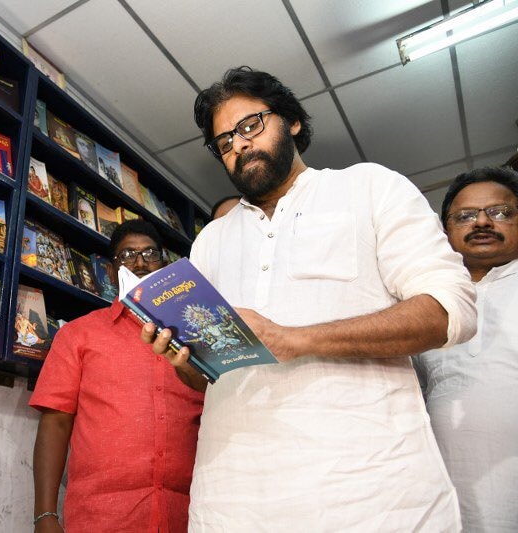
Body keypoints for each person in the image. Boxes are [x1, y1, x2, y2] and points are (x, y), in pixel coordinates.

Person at [144, 66, 477, 531]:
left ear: (293, 121)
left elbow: (449, 311)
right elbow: (207, 381)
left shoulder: (369, 187)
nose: (238, 145)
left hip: (371, 494)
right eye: (224, 142)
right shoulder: (210, 241)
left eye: (250, 126)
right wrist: (185, 361)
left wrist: (292, 338)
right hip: (234, 501)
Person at [29, 219, 204, 533]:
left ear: (165, 267)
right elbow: (55, 422)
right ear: (111, 272)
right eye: (127, 255)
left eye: (150, 253)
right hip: (101, 517)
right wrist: (45, 514)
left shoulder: (196, 339)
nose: (140, 262)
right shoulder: (78, 335)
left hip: (188, 516)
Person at [413, 167, 518, 532]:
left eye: (500, 212)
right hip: (448, 500)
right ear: (446, 232)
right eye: (466, 216)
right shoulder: (426, 304)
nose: (483, 222)